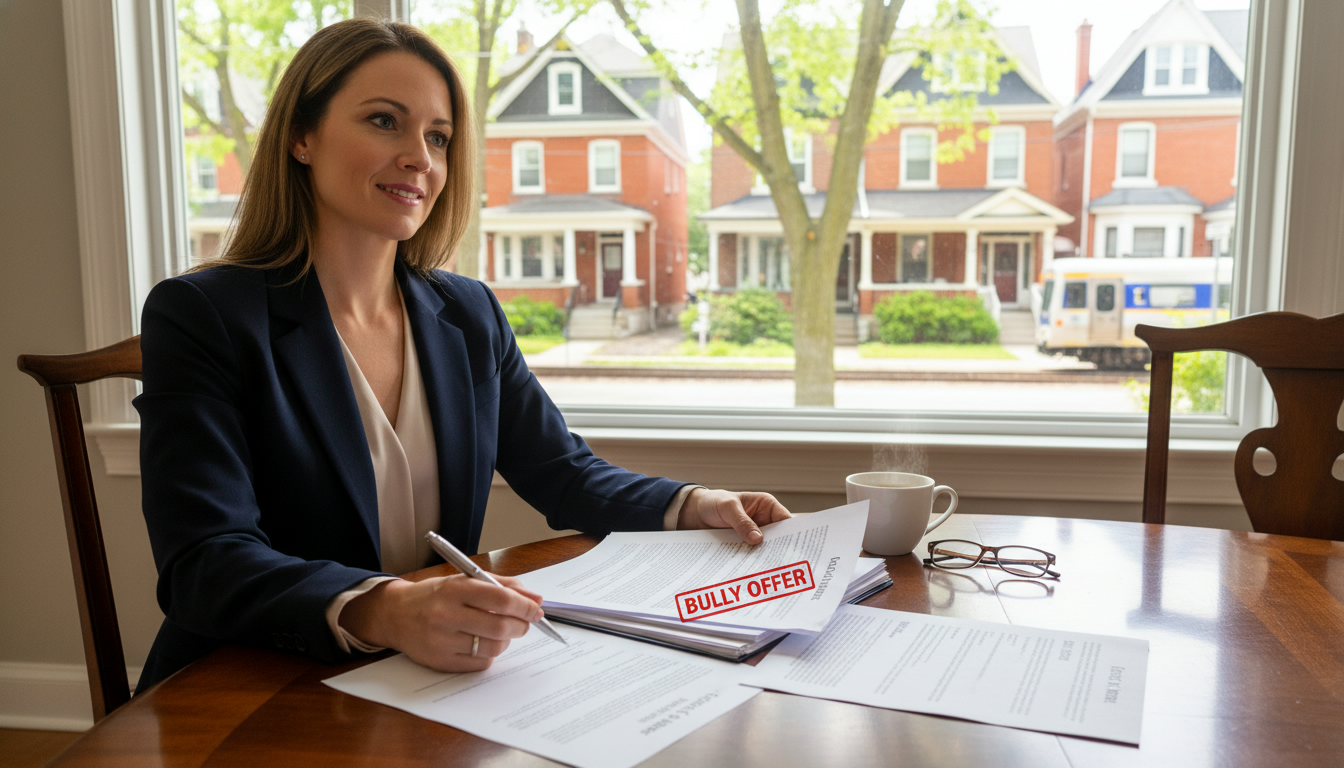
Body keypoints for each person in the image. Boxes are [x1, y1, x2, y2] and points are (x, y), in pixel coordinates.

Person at [134, 18, 790, 691]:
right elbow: (204, 562)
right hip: (247, 683)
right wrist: (384, 609)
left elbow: (565, 476)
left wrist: (694, 504)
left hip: (422, 679)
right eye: (385, 121)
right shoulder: (203, 315)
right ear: (302, 136)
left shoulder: (468, 313)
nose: (420, 156)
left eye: (438, 137)